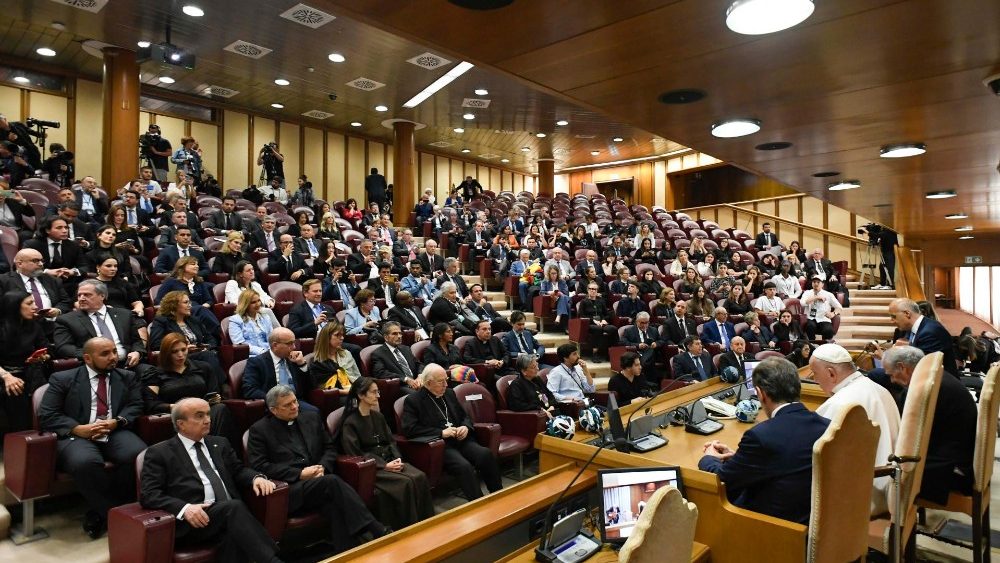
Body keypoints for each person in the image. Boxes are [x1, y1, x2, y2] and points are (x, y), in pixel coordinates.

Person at [247, 385, 390, 554]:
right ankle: (375, 528)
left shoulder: (311, 417)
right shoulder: (259, 430)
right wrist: (300, 474)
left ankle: (348, 553)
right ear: (273, 410)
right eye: (288, 405)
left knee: (334, 505)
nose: (294, 407)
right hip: (290, 489)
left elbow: (329, 448)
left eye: (295, 401)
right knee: (332, 482)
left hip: (320, 482)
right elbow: (261, 466)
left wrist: (322, 466)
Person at [139, 398, 282, 563]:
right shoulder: (159, 453)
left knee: (232, 534)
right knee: (234, 508)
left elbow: (238, 471)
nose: (207, 420)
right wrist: (185, 509)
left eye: (208, 414)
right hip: (195, 520)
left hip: (228, 517)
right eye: (199, 416)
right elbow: (149, 494)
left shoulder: (219, 443)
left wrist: (256, 477)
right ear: (181, 424)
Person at [698, 358, 829, 525]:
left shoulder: (760, 436)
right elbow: (786, 458)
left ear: (760, 393)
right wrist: (739, 458)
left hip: (774, 527)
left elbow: (724, 480)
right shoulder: (825, 424)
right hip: (811, 517)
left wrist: (709, 458)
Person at [39, 337, 146, 538]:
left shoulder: (127, 377)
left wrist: (118, 421)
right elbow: (48, 415)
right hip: (77, 435)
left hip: (114, 430)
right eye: (105, 354)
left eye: (114, 351)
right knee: (85, 462)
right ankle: (111, 513)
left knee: (137, 454)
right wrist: (77, 429)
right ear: (87, 358)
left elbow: (136, 405)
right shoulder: (62, 379)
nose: (113, 357)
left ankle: (105, 511)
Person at [810, 343, 900, 515]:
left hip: (865, 496)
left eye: (815, 374)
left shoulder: (842, 403)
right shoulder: (879, 389)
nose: (815, 380)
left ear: (831, 373)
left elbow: (820, 457)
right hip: (892, 486)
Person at [882, 346, 975, 505]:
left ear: (902, 368)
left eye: (891, 375)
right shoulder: (938, 377)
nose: (892, 381)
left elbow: (912, 441)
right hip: (960, 458)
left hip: (952, 470)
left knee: (885, 472)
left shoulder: (924, 390)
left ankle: (897, 522)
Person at [339, 377, 435, 528]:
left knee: (420, 476)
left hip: (391, 461)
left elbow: (391, 441)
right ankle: (410, 527)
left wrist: (396, 458)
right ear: (361, 395)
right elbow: (355, 453)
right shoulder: (350, 423)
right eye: (374, 392)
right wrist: (384, 465)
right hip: (373, 468)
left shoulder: (378, 416)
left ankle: (429, 523)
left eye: (378, 391)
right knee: (405, 483)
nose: (378, 396)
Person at [402, 364, 502, 500]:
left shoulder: (449, 393)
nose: (445, 384)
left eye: (446, 380)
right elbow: (410, 429)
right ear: (428, 382)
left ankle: (499, 495)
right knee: (464, 466)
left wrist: (465, 427)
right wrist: (441, 433)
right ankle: (478, 503)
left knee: (485, 454)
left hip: (461, 440)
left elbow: (464, 416)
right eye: (441, 381)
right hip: (441, 446)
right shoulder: (413, 401)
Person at [143, 332, 239, 448]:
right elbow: (151, 404)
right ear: (166, 353)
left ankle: (220, 451)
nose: (180, 355)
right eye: (175, 351)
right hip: (177, 416)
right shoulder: (155, 374)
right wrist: (175, 407)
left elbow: (213, 393)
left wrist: (213, 399)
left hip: (204, 412)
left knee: (220, 409)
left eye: (183, 350)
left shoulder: (203, 368)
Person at [53, 279, 145, 367]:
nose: (81, 298)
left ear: (102, 296)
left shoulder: (124, 314)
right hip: (92, 366)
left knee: (151, 373)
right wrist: (93, 355)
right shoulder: (66, 320)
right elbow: (63, 347)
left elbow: (136, 341)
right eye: (79, 295)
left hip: (126, 363)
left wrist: (137, 352)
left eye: (87, 295)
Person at [0, 290, 50, 432]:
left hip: (30, 371)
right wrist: (6, 376)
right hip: (5, 373)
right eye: (29, 303)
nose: (35, 307)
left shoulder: (33, 325)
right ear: (15, 307)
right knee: (14, 390)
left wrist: (42, 356)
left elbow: (46, 348)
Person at [149, 291, 223, 383]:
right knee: (208, 356)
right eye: (186, 302)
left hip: (200, 354)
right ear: (173, 305)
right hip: (178, 356)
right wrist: (183, 348)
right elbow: (156, 344)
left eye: (189, 302)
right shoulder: (161, 321)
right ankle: (221, 388)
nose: (190, 305)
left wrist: (206, 346)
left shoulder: (193, 320)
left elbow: (210, 338)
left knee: (213, 354)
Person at [242, 328, 316, 411]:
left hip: (296, 402)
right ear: (275, 345)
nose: (294, 347)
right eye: (289, 344)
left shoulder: (293, 359)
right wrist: (275, 400)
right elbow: (249, 390)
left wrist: (302, 364)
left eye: (294, 343)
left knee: (313, 412)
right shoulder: (257, 362)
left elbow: (310, 386)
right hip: (275, 406)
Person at [155, 256, 219, 334]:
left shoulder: (199, 282)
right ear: (182, 266)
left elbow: (208, 300)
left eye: (197, 264)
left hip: (199, 312)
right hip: (178, 311)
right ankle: (219, 332)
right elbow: (158, 300)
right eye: (193, 264)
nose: (197, 266)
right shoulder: (171, 281)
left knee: (201, 310)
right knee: (201, 310)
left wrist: (205, 306)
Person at [370, 322, 422, 394]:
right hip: (400, 386)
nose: (399, 336)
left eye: (400, 333)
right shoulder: (378, 354)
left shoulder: (406, 349)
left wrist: (420, 376)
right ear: (386, 337)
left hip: (417, 382)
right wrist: (405, 379)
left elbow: (418, 364)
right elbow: (381, 373)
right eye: (394, 334)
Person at [224, 260, 280, 328]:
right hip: (240, 313)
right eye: (248, 270)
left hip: (257, 312)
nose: (252, 272)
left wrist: (269, 301)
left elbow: (264, 296)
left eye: (252, 269)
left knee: (266, 312)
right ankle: (281, 334)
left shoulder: (255, 285)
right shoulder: (232, 284)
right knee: (267, 311)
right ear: (240, 274)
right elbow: (234, 301)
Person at [310, 322, 362, 390]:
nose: (342, 338)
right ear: (327, 338)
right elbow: (321, 389)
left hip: (354, 388)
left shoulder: (346, 354)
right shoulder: (317, 361)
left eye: (342, 335)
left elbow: (358, 376)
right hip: (337, 396)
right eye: (337, 335)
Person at [621, 312, 663, 387]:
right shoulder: (629, 331)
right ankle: (651, 385)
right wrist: (638, 345)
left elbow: (661, 341)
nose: (644, 325)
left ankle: (643, 364)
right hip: (636, 354)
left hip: (651, 354)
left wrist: (656, 344)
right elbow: (623, 342)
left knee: (650, 350)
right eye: (642, 323)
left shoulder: (653, 330)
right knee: (648, 359)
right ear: (637, 321)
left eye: (646, 323)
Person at [577, 283, 618, 360]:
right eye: (591, 289)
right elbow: (581, 316)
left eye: (594, 289)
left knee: (613, 329)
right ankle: (595, 354)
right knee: (597, 329)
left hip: (602, 323)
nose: (593, 291)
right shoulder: (584, 302)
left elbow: (607, 314)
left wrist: (604, 320)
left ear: (597, 291)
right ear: (588, 290)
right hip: (590, 324)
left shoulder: (601, 301)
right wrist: (593, 320)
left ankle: (612, 353)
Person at [227, 289, 274, 356]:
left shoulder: (265, 317)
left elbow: (271, 338)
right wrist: (262, 351)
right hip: (252, 355)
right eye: (253, 302)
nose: (258, 304)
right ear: (245, 304)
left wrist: (273, 351)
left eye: (258, 301)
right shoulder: (235, 320)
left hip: (269, 352)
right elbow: (240, 345)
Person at [800, 276, 842, 341]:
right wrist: (816, 297)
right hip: (811, 318)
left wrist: (833, 313)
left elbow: (839, 307)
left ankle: (825, 346)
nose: (816, 284)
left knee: (828, 330)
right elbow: (802, 303)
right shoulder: (807, 293)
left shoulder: (828, 294)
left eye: (818, 282)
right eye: (814, 282)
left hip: (823, 318)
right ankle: (812, 344)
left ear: (822, 284)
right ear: (812, 283)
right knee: (810, 326)